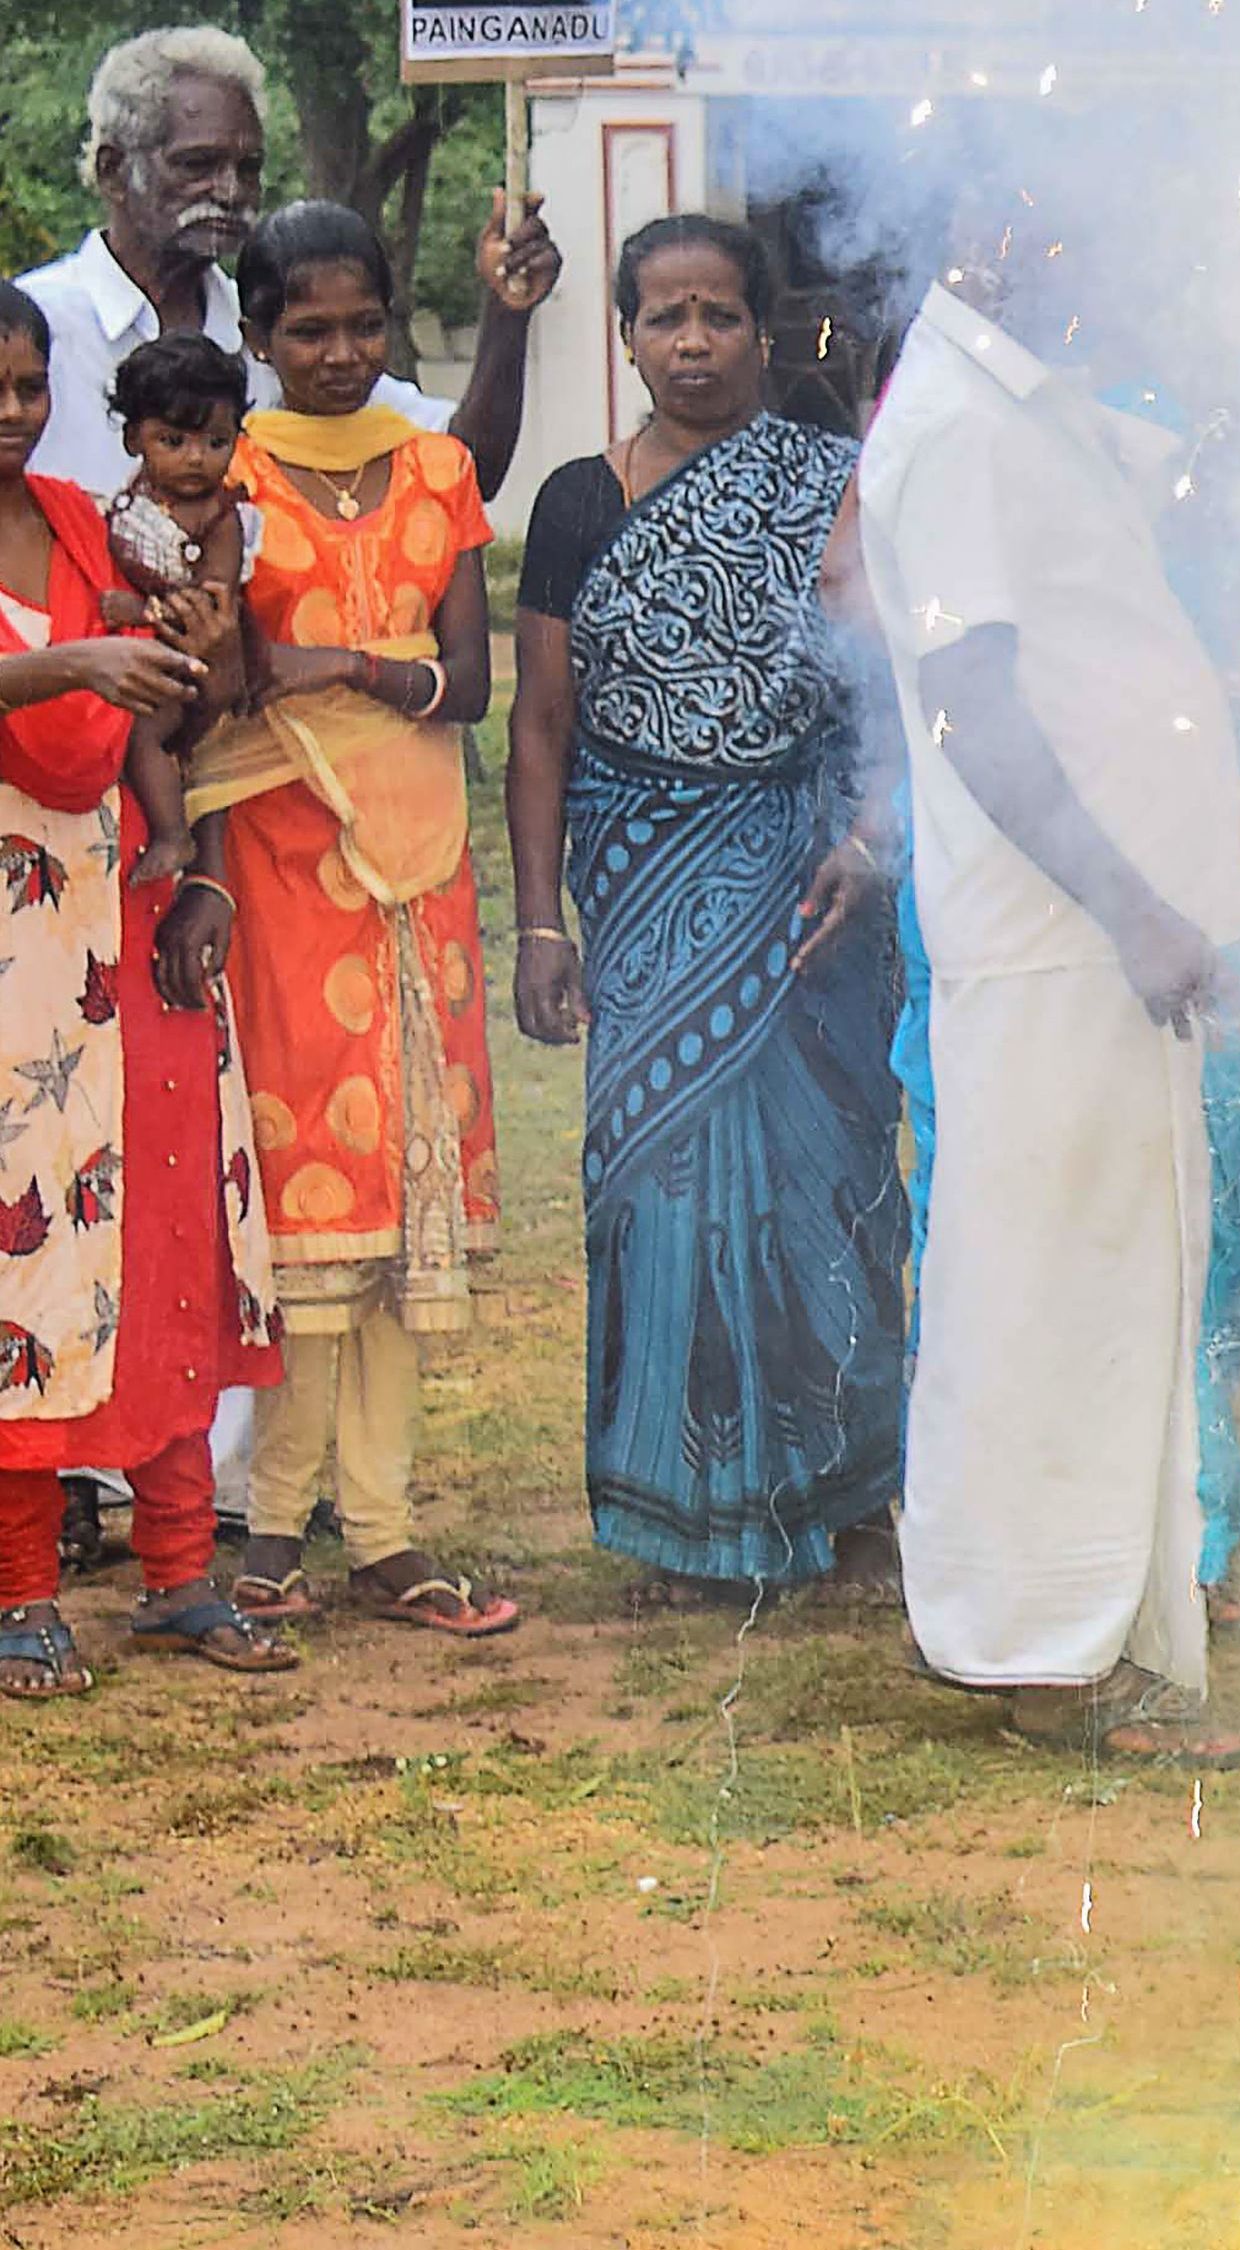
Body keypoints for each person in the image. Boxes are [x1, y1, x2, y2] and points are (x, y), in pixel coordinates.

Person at [857, 201, 1240, 1766]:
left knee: (1099, 1281)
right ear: (985, 221)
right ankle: (1047, 1657)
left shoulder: (1017, 401)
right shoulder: (957, 423)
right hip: (1061, 940)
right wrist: (1133, 910)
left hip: (1093, 944)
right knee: (1050, 1293)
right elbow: (973, 705)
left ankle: (1075, 1633)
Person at [502, 216, 905, 1604]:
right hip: (640, 870)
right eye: (663, 317)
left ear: (762, 328)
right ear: (621, 335)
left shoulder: (835, 483)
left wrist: (866, 837)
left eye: (719, 316)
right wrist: (540, 922)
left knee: (830, 1179)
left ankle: (846, 1499)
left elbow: (879, 693)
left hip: (808, 877)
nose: (691, 343)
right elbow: (542, 725)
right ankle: (679, 1518)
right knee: (654, 1191)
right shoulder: (578, 503)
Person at [189, 204, 515, 1638]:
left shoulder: (439, 467)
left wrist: (342, 666)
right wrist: (353, 671)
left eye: (364, 325)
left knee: (399, 1204)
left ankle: (381, 1529)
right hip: (271, 858)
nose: (339, 353)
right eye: (306, 330)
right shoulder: (226, 478)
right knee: (300, 1198)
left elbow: (472, 684)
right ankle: (272, 1527)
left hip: (420, 868)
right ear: (253, 336)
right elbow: (225, 680)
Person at [0, 280, 293, 1693]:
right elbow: (80, 678)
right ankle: (21, 1591)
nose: (9, 411)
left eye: (23, 384)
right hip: (14, 941)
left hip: (135, 909)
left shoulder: (78, 521)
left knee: (165, 1220)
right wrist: (65, 661)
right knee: (27, 1250)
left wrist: (205, 874)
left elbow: (190, 691)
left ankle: (179, 1566)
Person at [14, 26, 558, 500]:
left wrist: (507, 312)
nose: (230, 191)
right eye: (198, 164)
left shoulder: (274, 336)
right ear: (113, 172)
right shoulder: (39, 327)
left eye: (248, 167)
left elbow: (466, 467)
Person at [97, 333, 253, 884]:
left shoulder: (218, 518)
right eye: (174, 439)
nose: (195, 457)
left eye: (215, 442)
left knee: (143, 736)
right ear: (134, 438)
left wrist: (136, 610)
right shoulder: (137, 493)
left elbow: (208, 608)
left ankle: (171, 836)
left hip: (193, 662)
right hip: (140, 653)